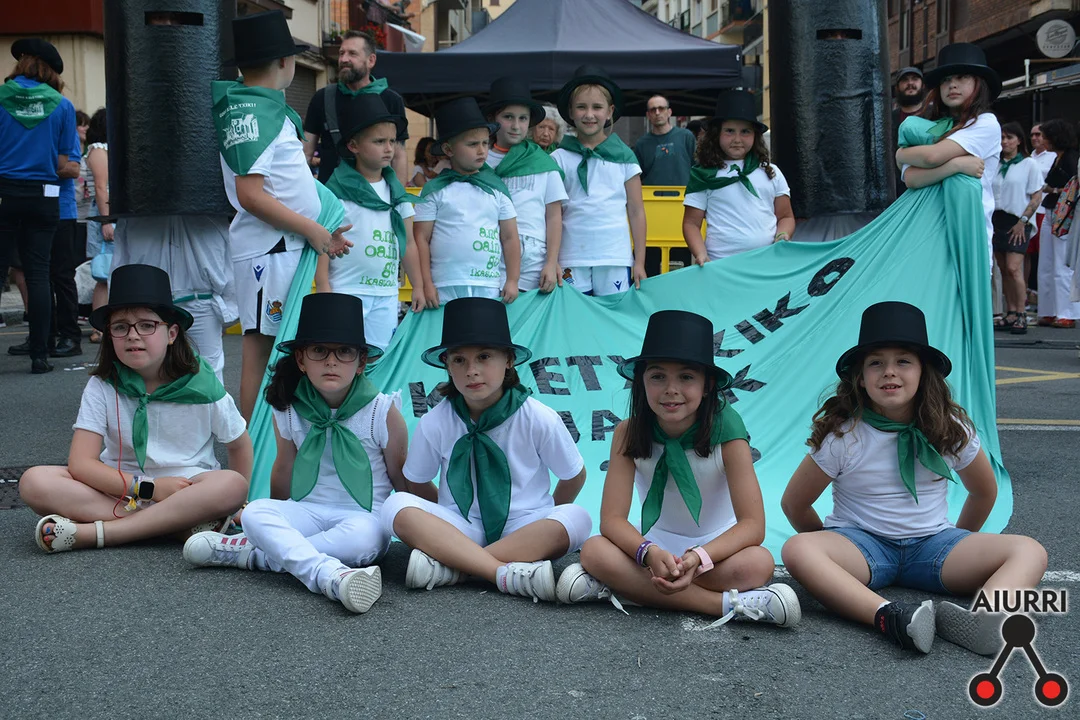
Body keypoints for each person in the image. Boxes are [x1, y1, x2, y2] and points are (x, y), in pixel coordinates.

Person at [781, 302, 1047, 655]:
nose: (889, 372)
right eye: (876, 363)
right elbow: (794, 503)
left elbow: (984, 491)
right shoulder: (844, 436)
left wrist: (959, 541)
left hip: (933, 545)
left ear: (924, 373)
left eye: (903, 361)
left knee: (1029, 550)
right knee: (798, 549)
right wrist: (828, 552)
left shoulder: (950, 429)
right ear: (860, 377)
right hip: (863, 546)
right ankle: (889, 616)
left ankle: (985, 620)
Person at [558, 311, 800, 628]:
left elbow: (753, 526)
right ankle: (725, 604)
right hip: (654, 546)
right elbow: (612, 519)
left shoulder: (728, 432)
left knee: (758, 562)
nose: (671, 389)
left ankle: (625, 587)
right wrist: (647, 552)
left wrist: (698, 558)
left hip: (714, 549)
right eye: (657, 377)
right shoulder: (627, 432)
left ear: (707, 385)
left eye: (686, 377)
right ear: (641, 382)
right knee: (593, 550)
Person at [184, 293, 402, 614]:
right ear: (301, 360)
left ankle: (254, 555)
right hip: (308, 509)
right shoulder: (288, 407)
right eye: (318, 351)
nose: (331, 361)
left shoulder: (381, 410)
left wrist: (423, 532)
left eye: (344, 352)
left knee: (366, 539)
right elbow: (284, 466)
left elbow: (401, 477)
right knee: (256, 512)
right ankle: (330, 575)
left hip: (362, 516)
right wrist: (276, 516)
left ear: (361, 362)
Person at [19, 264, 251, 553]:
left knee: (231, 485)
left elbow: (239, 444)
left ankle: (97, 534)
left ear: (172, 333)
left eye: (147, 325)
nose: (133, 335)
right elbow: (81, 463)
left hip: (188, 489)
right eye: (120, 327)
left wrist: (240, 504)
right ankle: (177, 526)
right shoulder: (103, 385)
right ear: (109, 336)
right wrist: (149, 488)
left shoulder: (203, 385)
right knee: (34, 481)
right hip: (120, 490)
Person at [379, 298, 591, 602]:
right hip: (461, 525)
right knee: (395, 505)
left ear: (508, 360)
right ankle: (501, 572)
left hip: (525, 525)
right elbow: (416, 482)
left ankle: (456, 567)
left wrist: (547, 518)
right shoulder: (435, 421)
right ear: (447, 365)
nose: (472, 370)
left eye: (484, 357)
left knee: (577, 517)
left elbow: (574, 475)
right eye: (459, 360)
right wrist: (443, 521)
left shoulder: (538, 417)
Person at [211, 10, 352, 421]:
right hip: (270, 250)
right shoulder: (254, 112)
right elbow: (251, 195)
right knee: (263, 351)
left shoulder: (261, 109)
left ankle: (275, 441)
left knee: (285, 348)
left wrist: (319, 229)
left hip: (283, 246)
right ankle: (255, 444)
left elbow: (287, 186)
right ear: (286, 62)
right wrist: (312, 228)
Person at [318, 93, 426, 348]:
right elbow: (323, 241)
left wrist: (418, 286)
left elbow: (409, 243)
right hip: (345, 291)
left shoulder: (397, 193)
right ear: (353, 145)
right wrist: (323, 285)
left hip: (386, 294)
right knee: (344, 355)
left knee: (379, 358)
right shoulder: (335, 192)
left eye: (392, 141)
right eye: (379, 141)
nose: (389, 148)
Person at [0, 38, 80, 373]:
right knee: (38, 274)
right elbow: (64, 162)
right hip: (44, 196)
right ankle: (39, 355)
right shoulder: (62, 106)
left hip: (5, 192)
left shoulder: (1, 97)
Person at [896, 43, 1001, 262]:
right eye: (946, 80)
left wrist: (904, 155)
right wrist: (956, 165)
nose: (952, 85)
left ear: (979, 83)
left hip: (968, 237)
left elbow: (931, 157)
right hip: (930, 236)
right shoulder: (934, 126)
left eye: (962, 77)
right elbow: (911, 178)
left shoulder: (985, 123)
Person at [413, 97, 521, 305]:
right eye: (472, 144)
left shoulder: (496, 189)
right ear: (448, 150)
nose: (481, 150)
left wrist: (512, 280)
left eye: (485, 143)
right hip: (444, 284)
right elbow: (421, 239)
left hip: (487, 283)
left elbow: (510, 237)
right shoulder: (434, 190)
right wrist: (426, 283)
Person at [551, 65, 647, 296]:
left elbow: (636, 211)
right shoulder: (558, 158)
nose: (589, 114)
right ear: (571, 111)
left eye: (597, 107)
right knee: (574, 313)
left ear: (609, 111)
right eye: (581, 107)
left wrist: (640, 261)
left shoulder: (625, 157)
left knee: (613, 312)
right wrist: (551, 260)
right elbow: (553, 214)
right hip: (571, 255)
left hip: (614, 254)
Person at [682, 90, 795, 263]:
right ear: (716, 134)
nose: (737, 139)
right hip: (721, 264)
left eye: (745, 131)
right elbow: (691, 223)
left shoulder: (771, 172)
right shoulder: (703, 175)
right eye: (729, 131)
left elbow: (785, 216)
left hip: (767, 262)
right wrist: (700, 253)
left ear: (755, 135)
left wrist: (782, 235)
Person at [484, 76, 568, 293]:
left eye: (523, 118)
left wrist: (551, 262)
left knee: (529, 315)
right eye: (508, 117)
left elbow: (554, 216)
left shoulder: (543, 162)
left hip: (533, 258)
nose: (516, 125)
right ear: (493, 118)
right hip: (487, 251)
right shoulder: (480, 161)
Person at [303, 30, 408, 183]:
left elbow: (398, 156)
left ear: (371, 60)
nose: (344, 59)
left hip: (376, 194)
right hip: (331, 193)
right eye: (341, 53)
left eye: (352, 53)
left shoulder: (391, 100)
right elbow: (306, 153)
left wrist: (399, 195)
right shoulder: (322, 98)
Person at [991, 122, 1042, 334]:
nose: (1005, 142)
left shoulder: (1029, 164)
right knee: (1003, 268)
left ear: (1019, 140)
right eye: (1002, 138)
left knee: (1014, 268)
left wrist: (1023, 220)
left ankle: (1021, 312)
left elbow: (1036, 196)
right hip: (997, 218)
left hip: (1018, 219)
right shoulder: (995, 164)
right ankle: (1010, 311)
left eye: (1009, 138)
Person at [1034, 118, 1080, 328]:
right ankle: (1049, 310)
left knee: (1062, 264)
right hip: (1053, 210)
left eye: (1046, 137)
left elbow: (1072, 189)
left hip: (1065, 214)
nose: (1042, 140)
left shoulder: (1070, 159)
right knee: (1046, 263)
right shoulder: (1058, 158)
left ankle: (1066, 312)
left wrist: (1051, 190)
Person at [634, 94, 696, 186]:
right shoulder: (641, 144)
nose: (657, 113)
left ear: (669, 112)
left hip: (683, 194)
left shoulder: (686, 136)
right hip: (652, 194)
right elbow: (637, 177)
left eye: (661, 108)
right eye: (653, 110)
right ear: (648, 115)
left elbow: (697, 167)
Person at [891, 67, 927, 198]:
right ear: (897, 88)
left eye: (915, 79)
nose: (910, 83)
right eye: (905, 80)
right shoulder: (888, 119)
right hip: (898, 190)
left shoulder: (936, 115)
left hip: (928, 184)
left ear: (923, 85)